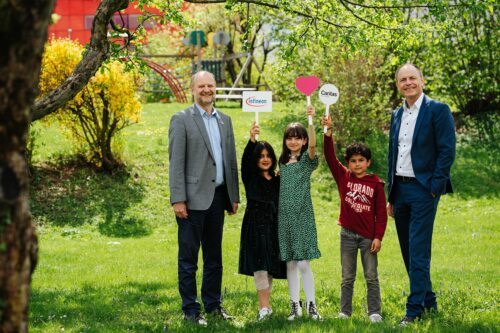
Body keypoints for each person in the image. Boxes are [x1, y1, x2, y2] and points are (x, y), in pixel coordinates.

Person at [168, 71, 240, 326]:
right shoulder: (181, 120)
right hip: (190, 201)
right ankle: (190, 309)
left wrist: (233, 196)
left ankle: (213, 305)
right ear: (193, 90)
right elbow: (176, 163)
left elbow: (230, 161)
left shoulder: (225, 120)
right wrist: (178, 199)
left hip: (218, 199)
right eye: (202, 86)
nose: (207, 89)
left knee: (214, 259)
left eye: (210, 85)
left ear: (215, 88)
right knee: (188, 259)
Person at [387, 63, 456, 326]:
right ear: (398, 85)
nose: (408, 83)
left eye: (412, 78)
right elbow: (394, 154)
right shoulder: (396, 114)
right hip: (400, 190)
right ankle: (429, 303)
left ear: (422, 81)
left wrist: (434, 187)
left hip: (424, 189)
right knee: (407, 251)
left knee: (418, 250)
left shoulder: (438, 110)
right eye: (402, 80)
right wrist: (391, 195)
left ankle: (413, 311)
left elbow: (447, 151)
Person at [321, 113, 387, 323]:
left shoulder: (376, 184)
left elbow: (382, 214)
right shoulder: (344, 176)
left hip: (368, 237)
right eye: (353, 161)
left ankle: (374, 312)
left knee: (371, 276)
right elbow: (330, 156)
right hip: (347, 235)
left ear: (368, 162)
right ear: (348, 163)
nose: (357, 164)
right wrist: (328, 133)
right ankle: (345, 312)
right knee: (347, 276)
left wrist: (378, 237)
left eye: (361, 161)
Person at [238, 122, 287, 321]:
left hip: (273, 226)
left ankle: (267, 305)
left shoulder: (277, 179)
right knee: (260, 266)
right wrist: (252, 140)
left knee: (270, 265)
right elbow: (245, 162)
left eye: (268, 155)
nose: (265, 159)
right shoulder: (250, 177)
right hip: (255, 226)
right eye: (260, 156)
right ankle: (264, 307)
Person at [278, 106, 322, 320]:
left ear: (303, 141)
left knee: (304, 262)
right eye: (290, 138)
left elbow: (314, 145)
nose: (293, 141)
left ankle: (312, 305)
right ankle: (295, 306)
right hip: (284, 217)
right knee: (291, 263)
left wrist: (311, 120)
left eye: (298, 138)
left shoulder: (307, 161)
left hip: (302, 216)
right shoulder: (282, 163)